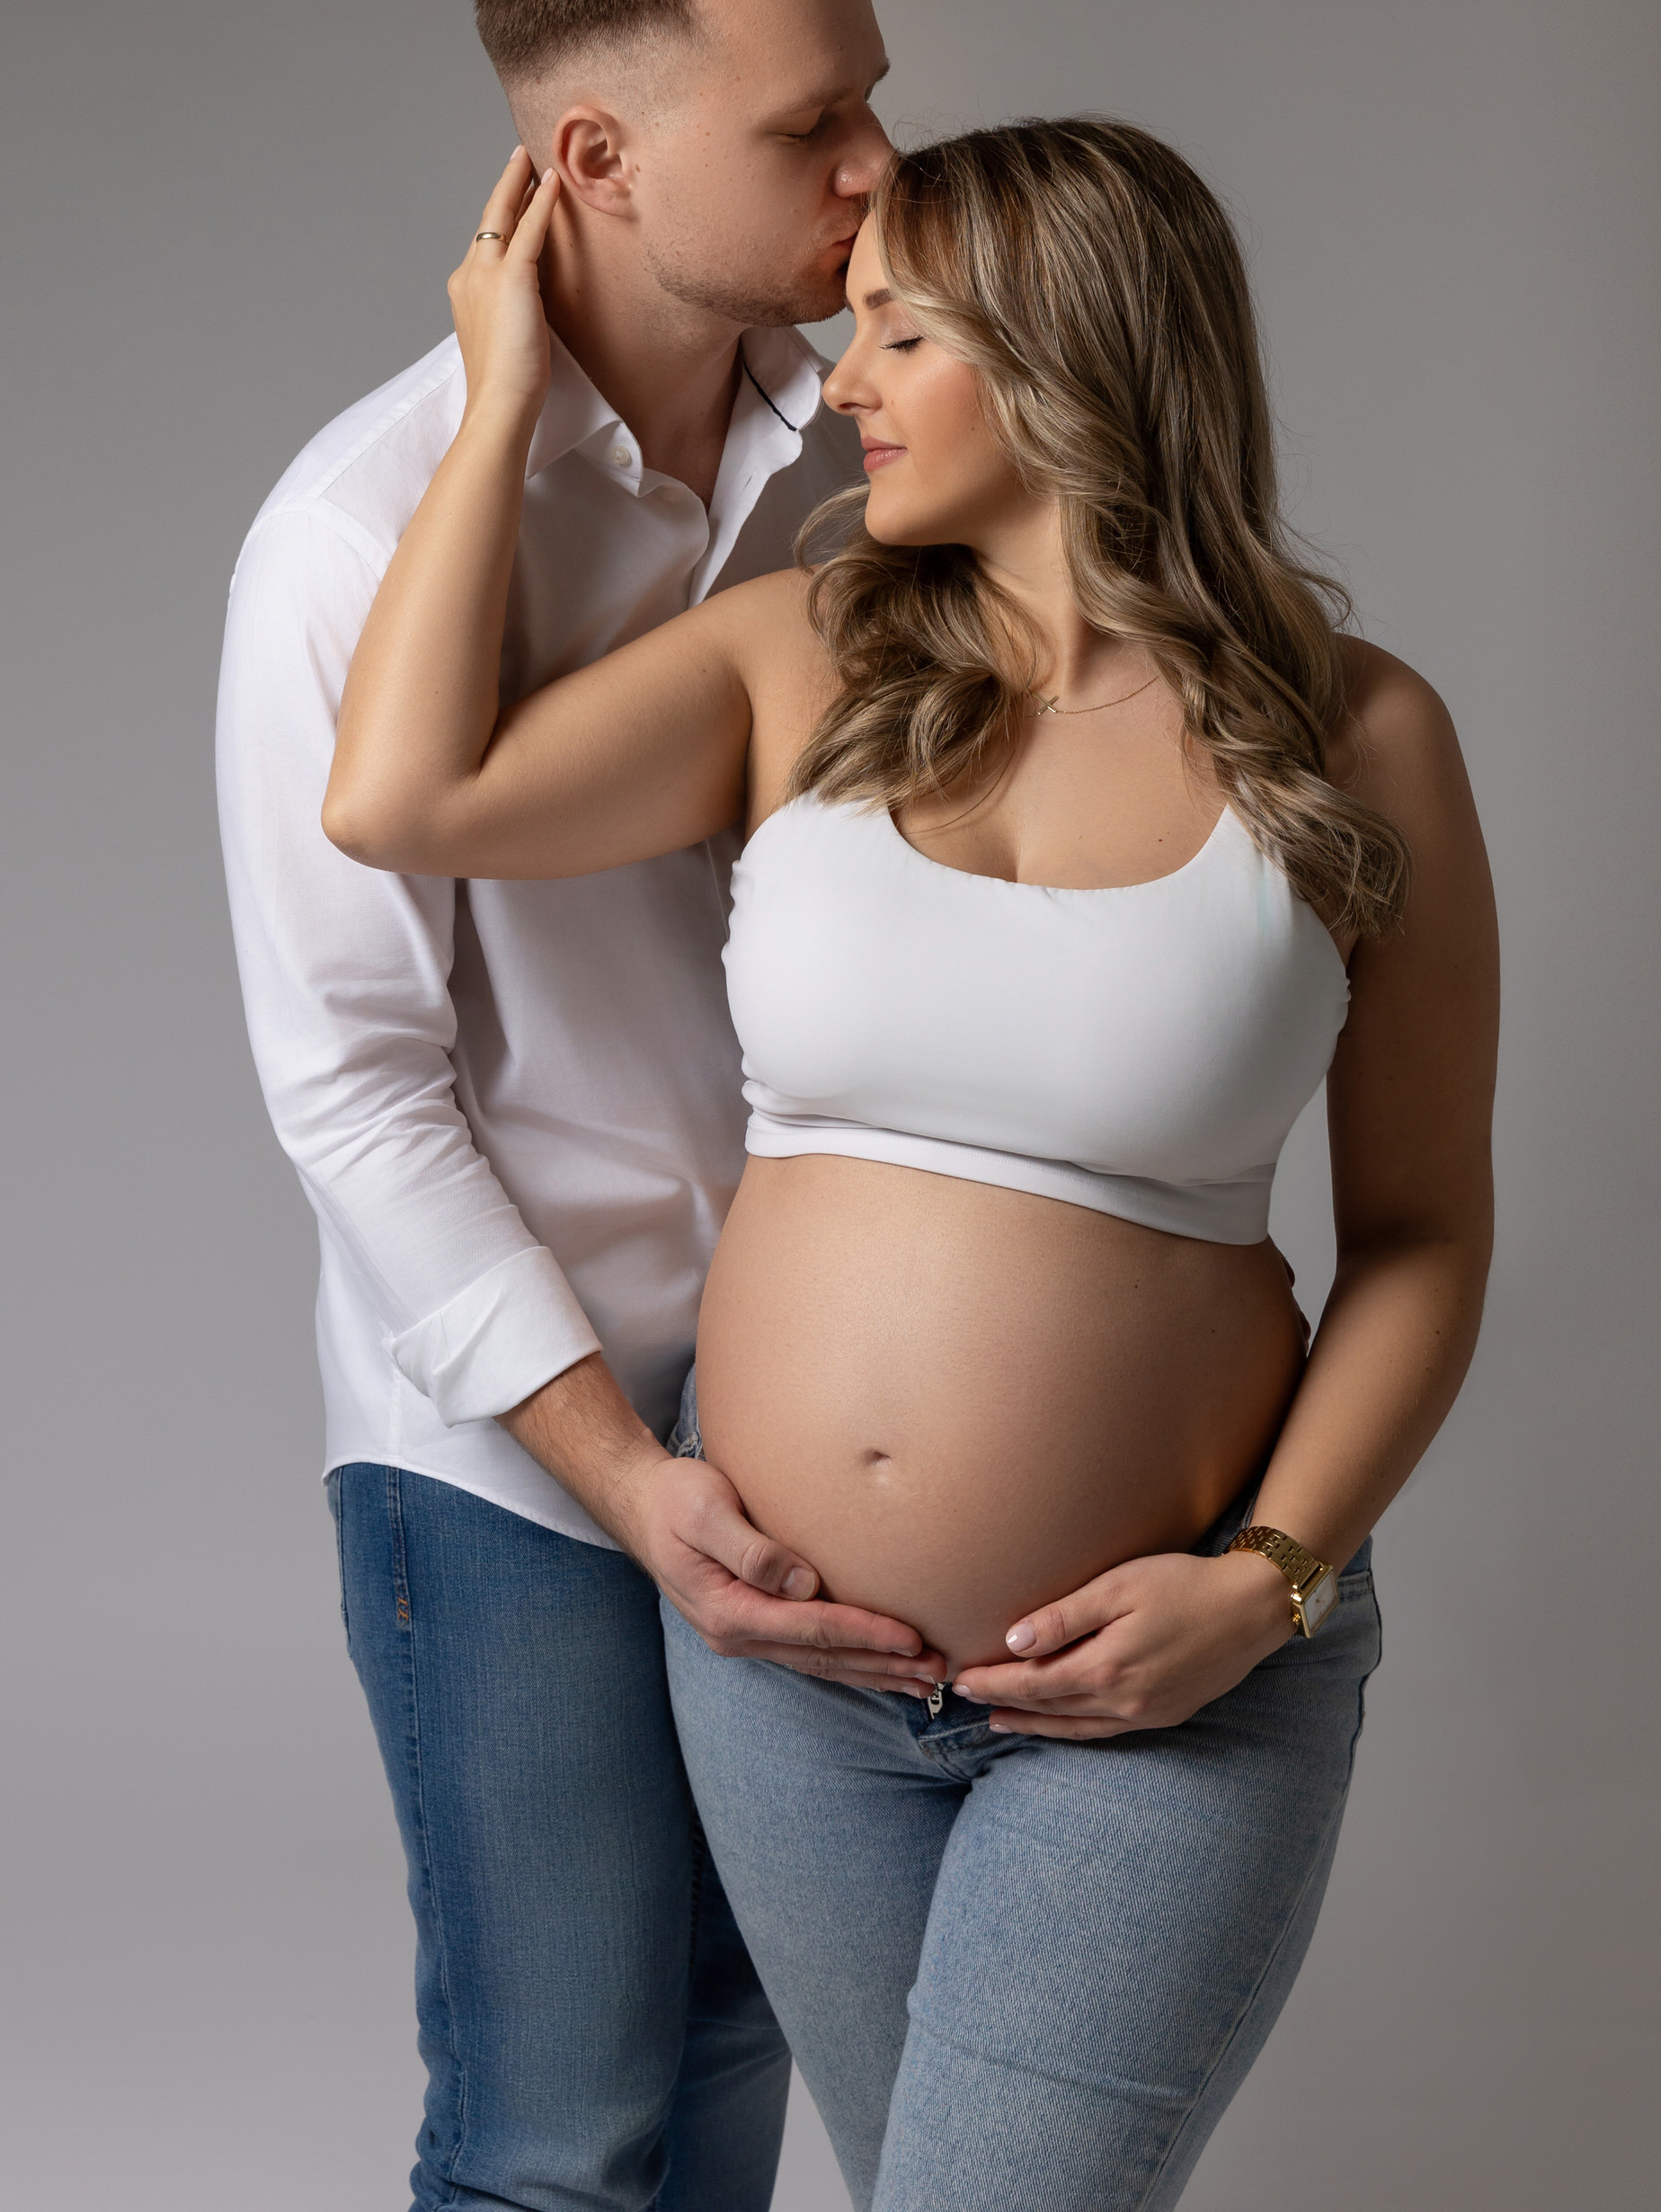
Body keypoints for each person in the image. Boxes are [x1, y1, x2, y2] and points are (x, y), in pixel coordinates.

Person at [323, 115, 1499, 2209]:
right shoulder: (801, 653)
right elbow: (402, 797)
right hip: (793, 1676)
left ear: (1066, 355)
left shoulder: (1358, 734)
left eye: (899, 333)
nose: (840, 380)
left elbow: (1418, 1235)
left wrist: (1267, 1582)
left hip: (1160, 1680)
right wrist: (502, 397)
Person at [217, 0, 936, 2212]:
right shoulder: (356, 538)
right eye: (810, 122)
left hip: (811, 1401)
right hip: (515, 1441)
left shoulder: (889, 454)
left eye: (874, 97)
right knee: (557, 2131)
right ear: (593, 161)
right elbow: (352, 1085)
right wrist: (623, 1477)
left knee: (735, 2043)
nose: (877, 165)